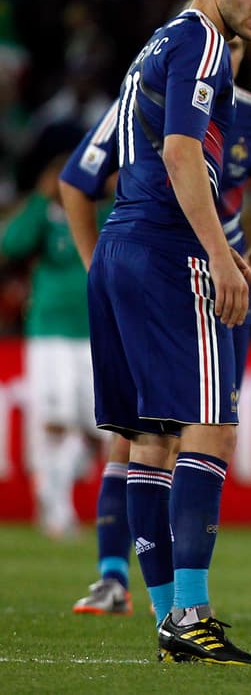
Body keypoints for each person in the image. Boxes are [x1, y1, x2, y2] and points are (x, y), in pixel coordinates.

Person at [84, 0, 251, 665]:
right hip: (168, 251)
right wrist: (215, 251)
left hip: (121, 245)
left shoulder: (158, 41)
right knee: (213, 424)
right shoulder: (203, 41)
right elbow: (179, 153)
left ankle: (173, 621)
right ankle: (192, 611)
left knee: (151, 437)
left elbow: (104, 167)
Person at [61, 36, 251, 618]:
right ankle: (125, 581)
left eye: (240, 49)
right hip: (165, 268)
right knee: (148, 433)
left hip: (218, 289)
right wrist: (93, 260)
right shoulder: (150, 97)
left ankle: (170, 606)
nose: (230, 55)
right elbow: (79, 179)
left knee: (187, 432)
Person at [0, 153, 100, 541]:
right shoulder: (44, 218)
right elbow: (12, 242)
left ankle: (51, 487)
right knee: (56, 420)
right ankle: (57, 507)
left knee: (99, 430)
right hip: (50, 332)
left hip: (94, 332)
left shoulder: (99, 213)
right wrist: (40, 201)